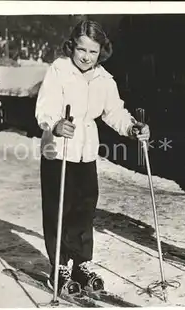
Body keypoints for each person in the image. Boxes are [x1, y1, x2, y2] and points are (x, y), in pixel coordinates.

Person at [35, 20, 150, 294]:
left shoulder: (104, 79)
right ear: (72, 47)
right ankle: (59, 267)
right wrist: (55, 124)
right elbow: (45, 107)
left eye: (93, 52)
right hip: (59, 153)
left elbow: (115, 112)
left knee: (84, 211)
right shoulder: (59, 70)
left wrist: (132, 127)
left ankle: (80, 264)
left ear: (102, 52)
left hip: (86, 153)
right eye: (81, 49)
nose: (86, 57)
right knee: (59, 212)